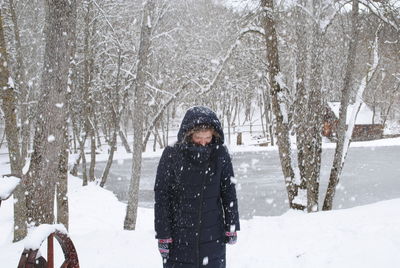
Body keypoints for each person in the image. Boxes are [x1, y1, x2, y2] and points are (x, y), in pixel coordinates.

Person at [154, 106, 240, 268]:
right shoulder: (172, 154)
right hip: (179, 234)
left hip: (213, 233)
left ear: (214, 135)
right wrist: (163, 235)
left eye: (207, 137)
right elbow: (162, 196)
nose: (203, 141)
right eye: (198, 137)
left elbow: (228, 191)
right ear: (188, 134)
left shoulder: (220, 154)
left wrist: (232, 225)